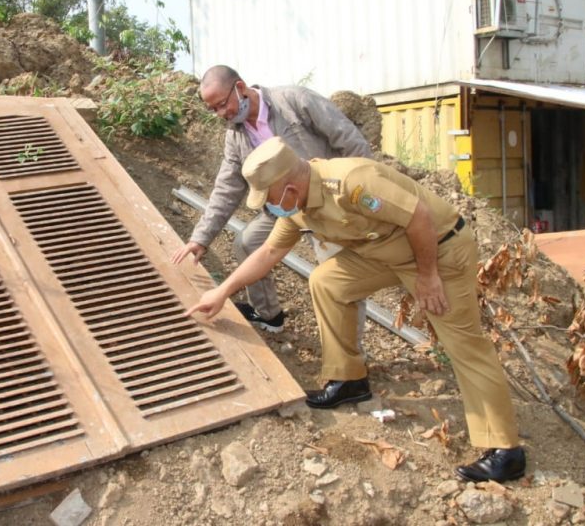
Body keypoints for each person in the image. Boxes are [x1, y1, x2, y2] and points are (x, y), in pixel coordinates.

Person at [185, 137, 526, 483]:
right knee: (328, 281)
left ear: (287, 187)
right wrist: (223, 292)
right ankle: (349, 379)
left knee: (465, 345)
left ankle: (505, 451)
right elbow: (268, 253)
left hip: (438, 250)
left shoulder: (351, 182)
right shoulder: (298, 207)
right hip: (385, 254)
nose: (269, 207)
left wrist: (428, 276)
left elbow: (418, 217)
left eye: (269, 199)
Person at [171, 65, 372, 333]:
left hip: (325, 201)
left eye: (222, 104)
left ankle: (351, 361)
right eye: (213, 110)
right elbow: (227, 187)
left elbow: (351, 141)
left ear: (240, 88)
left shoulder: (294, 102)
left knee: (338, 276)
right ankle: (268, 315)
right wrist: (200, 238)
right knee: (248, 243)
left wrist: (357, 196)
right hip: (283, 209)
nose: (221, 114)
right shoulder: (236, 135)